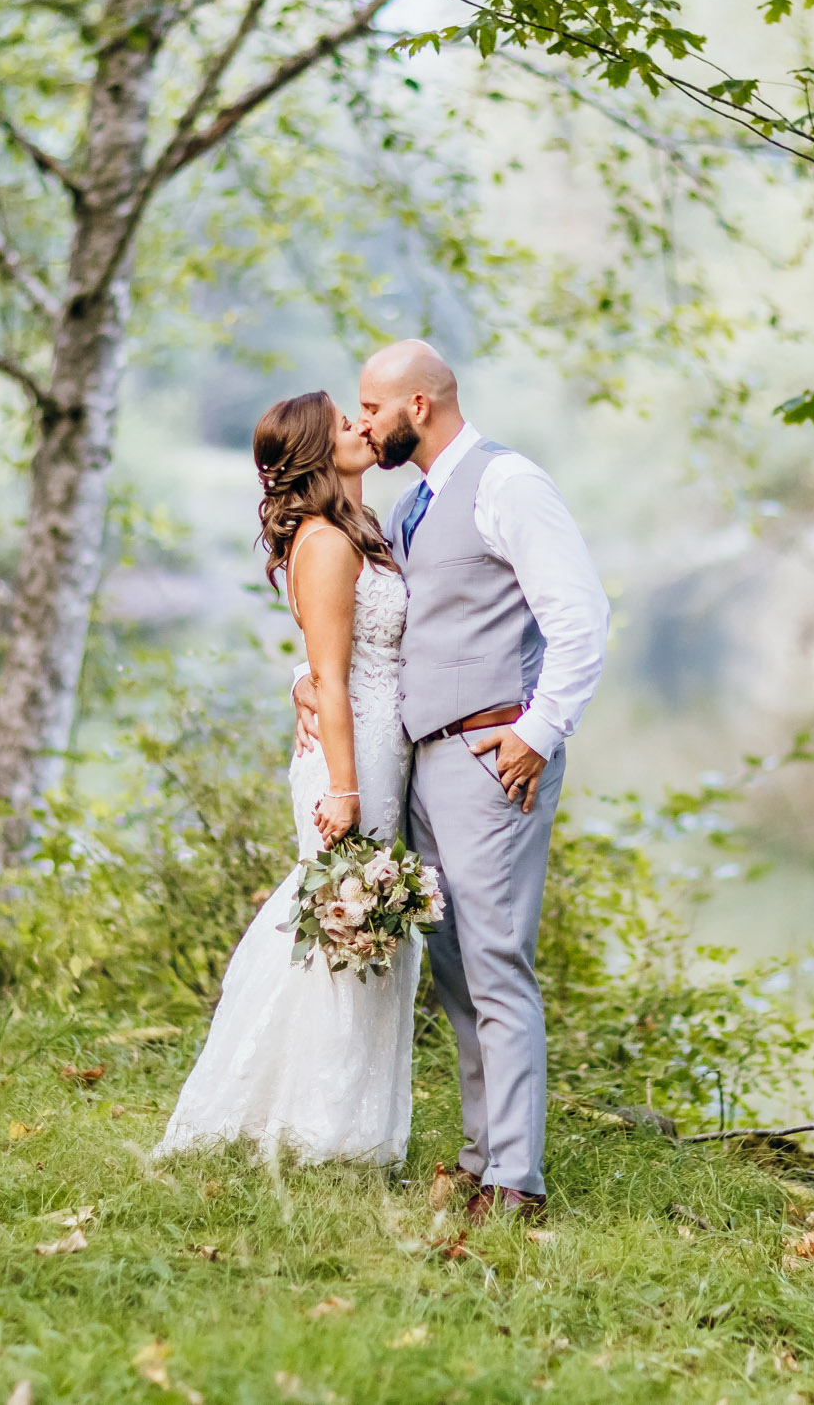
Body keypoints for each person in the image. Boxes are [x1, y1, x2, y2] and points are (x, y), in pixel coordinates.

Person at [296, 340, 610, 1223]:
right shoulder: (411, 506)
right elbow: (376, 628)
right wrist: (303, 686)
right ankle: (482, 1156)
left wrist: (540, 733)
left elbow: (581, 619)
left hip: (490, 755)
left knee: (497, 959)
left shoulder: (510, 485)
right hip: (425, 761)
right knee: (454, 965)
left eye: (370, 407)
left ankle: (517, 1179)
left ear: (419, 408)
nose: (358, 424)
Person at [154, 391, 420, 1165]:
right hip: (352, 753)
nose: (361, 428)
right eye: (345, 423)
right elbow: (331, 677)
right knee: (343, 922)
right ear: (315, 449)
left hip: (374, 745)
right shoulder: (329, 543)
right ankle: (317, 1127)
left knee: (362, 926)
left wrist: (301, 683)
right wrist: (343, 788)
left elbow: (320, 663)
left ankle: (341, 1122)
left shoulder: (354, 530)